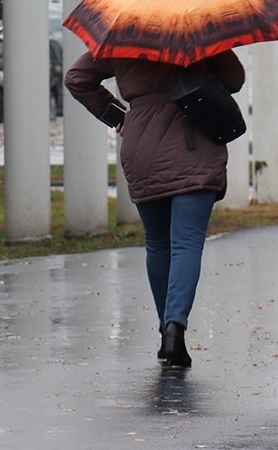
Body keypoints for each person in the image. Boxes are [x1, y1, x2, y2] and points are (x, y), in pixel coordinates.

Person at [64, 49, 245, 368]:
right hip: (194, 140)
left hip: (142, 146)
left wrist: (117, 116)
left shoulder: (122, 36)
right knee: (187, 242)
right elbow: (234, 80)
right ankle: (176, 326)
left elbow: (77, 78)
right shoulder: (197, 33)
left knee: (158, 244)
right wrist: (211, 49)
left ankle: (166, 332)